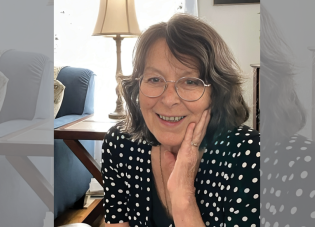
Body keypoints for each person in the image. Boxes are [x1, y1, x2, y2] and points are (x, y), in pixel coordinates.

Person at [102, 14, 260, 227]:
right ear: (138, 86)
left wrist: (183, 198)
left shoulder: (248, 154)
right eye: (155, 79)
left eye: (190, 82)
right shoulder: (120, 143)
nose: (169, 99)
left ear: (216, 92)